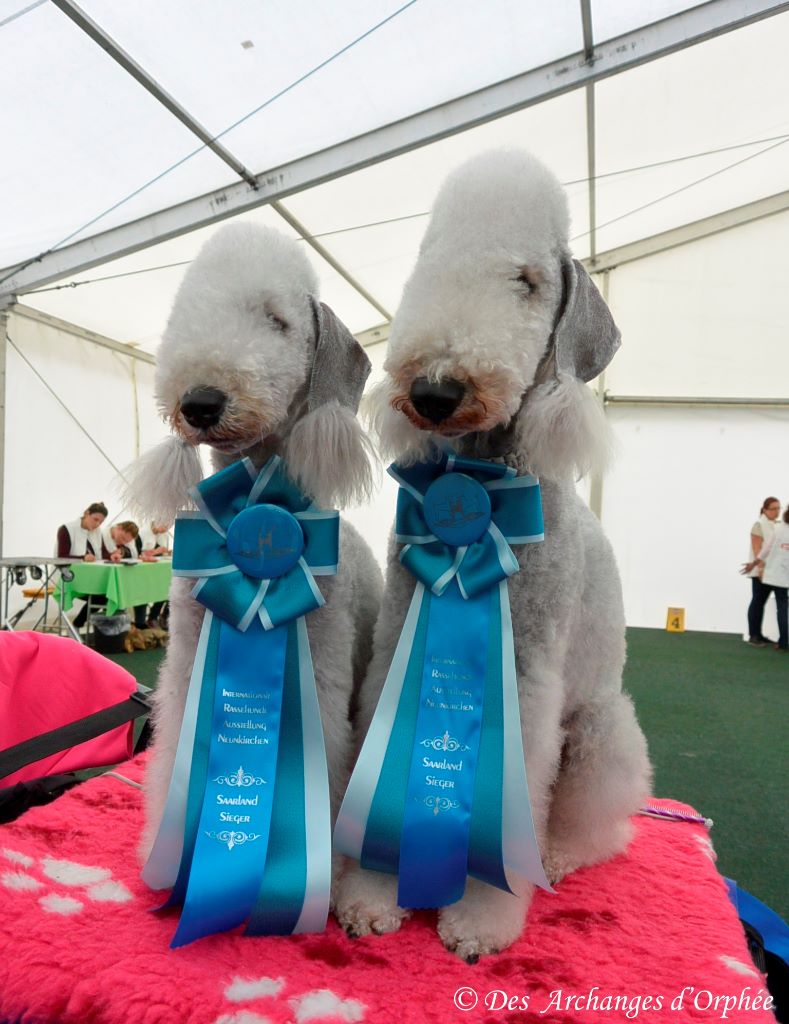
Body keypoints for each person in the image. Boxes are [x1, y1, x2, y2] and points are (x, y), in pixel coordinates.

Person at [744, 503, 789, 653]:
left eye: (779, 508)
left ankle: (760, 636)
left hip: (771, 573)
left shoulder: (778, 527)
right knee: (765, 604)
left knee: (762, 603)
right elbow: (759, 549)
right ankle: (757, 636)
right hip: (771, 574)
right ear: (765, 510)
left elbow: (765, 550)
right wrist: (758, 567)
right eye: (774, 508)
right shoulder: (760, 525)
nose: (777, 511)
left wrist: (754, 563)